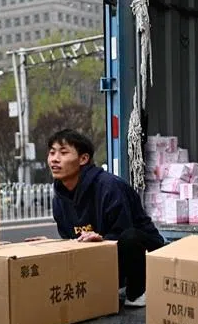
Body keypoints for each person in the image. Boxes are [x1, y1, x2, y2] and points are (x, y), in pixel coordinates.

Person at [44, 128, 165, 308]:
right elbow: (69, 240)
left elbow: (124, 231)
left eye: (63, 153)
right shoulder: (59, 198)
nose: (54, 159)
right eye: (52, 153)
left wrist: (102, 239)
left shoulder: (109, 186)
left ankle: (138, 292)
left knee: (130, 237)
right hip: (103, 256)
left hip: (142, 251)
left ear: (83, 159)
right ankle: (113, 286)